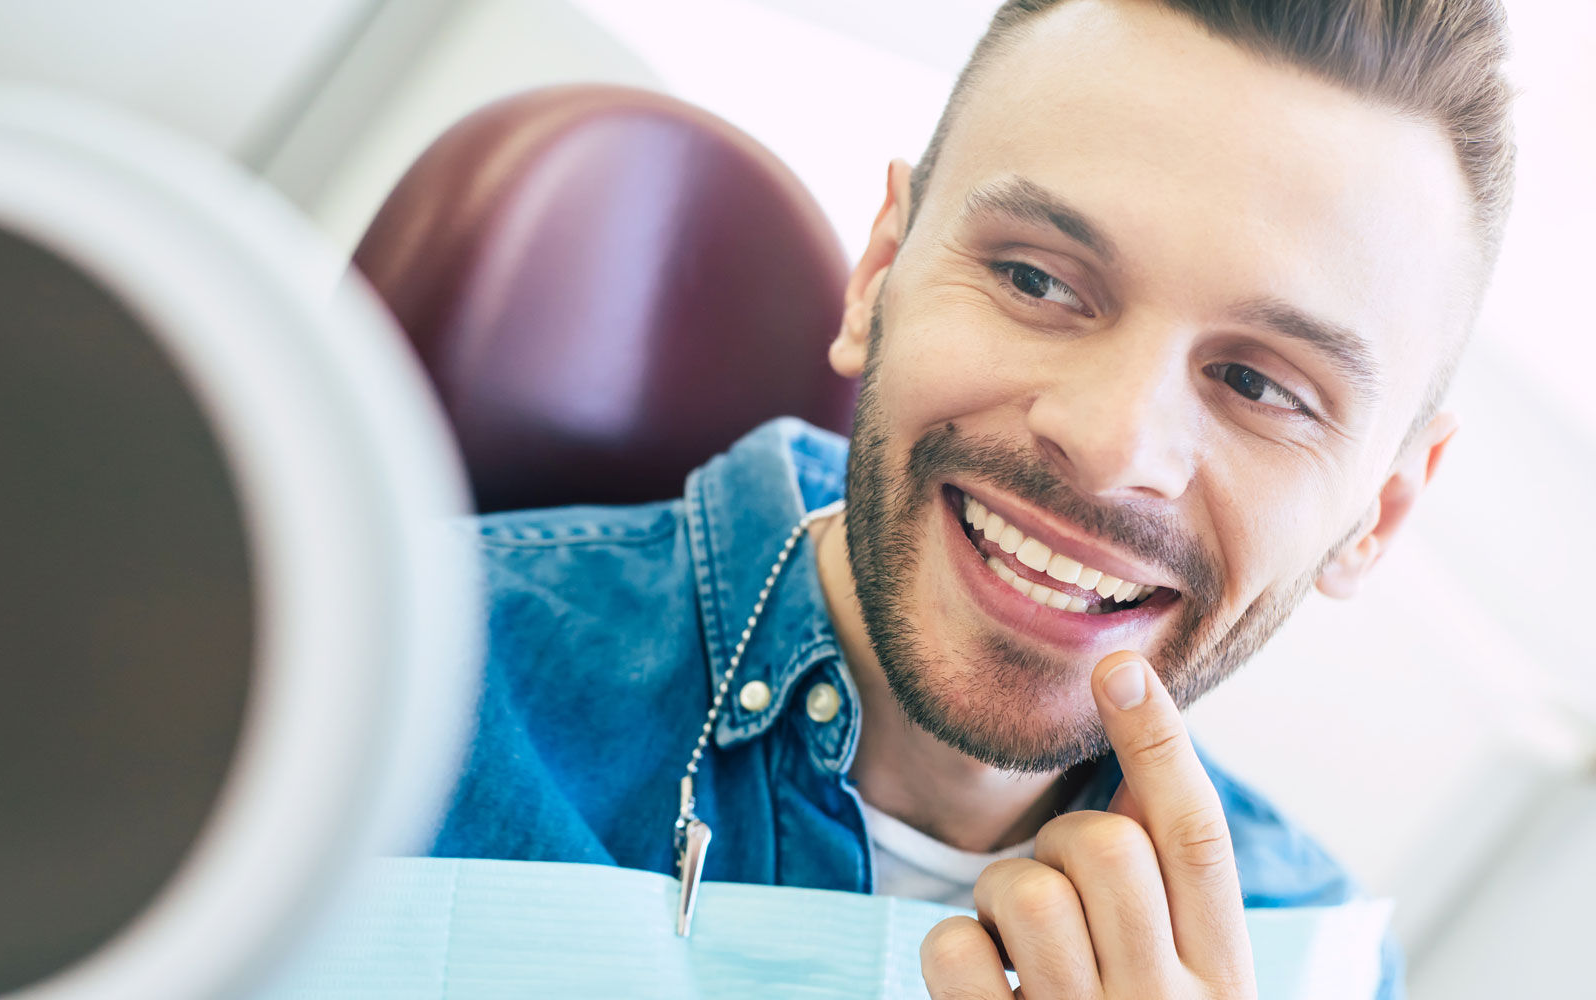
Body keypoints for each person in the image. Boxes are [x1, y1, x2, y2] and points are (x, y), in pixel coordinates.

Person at [430, 0, 1517, 996]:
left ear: (1374, 516)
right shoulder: (400, 674)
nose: (1106, 447)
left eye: (1257, 385)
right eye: (1035, 280)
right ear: (879, 274)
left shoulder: (1312, 961)